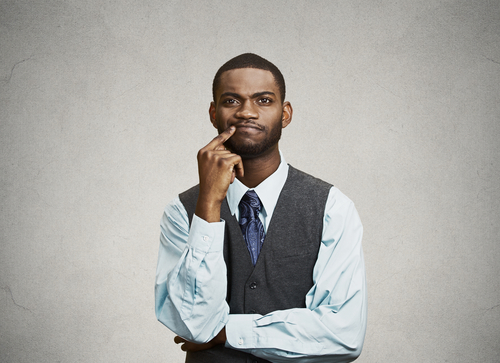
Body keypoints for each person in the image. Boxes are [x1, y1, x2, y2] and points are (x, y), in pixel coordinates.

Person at [155, 53, 367, 363]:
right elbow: (194, 326)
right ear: (214, 114)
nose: (247, 113)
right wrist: (209, 205)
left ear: (285, 114)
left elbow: (344, 335)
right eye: (231, 101)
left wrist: (227, 331)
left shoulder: (331, 207)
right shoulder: (182, 211)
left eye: (264, 100)